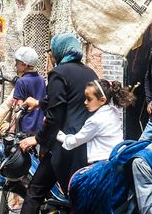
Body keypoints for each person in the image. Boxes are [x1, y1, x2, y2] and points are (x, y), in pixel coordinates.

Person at [18, 33, 98, 214]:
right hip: (86, 143)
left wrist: (37, 139)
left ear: (60, 51)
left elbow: (55, 115)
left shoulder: (58, 73)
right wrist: (39, 103)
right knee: (76, 198)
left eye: (52, 51)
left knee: (35, 192)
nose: (51, 56)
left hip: (64, 146)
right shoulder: (89, 72)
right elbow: (69, 101)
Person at [57, 79, 135, 163]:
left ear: (102, 100)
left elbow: (75, 141)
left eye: (89, 99)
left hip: (104, 163)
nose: (85, 102)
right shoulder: (113, 111)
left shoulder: (96, 121)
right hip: (118, 157)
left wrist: (57, 134)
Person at [11, 46, 47, 135]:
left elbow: (19, 107)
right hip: (39, 125)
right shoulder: (41, 79)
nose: (16, 65)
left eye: (17, 63)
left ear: (24, 64)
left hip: (25, 126)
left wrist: (12, 128)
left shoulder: (21, 81)